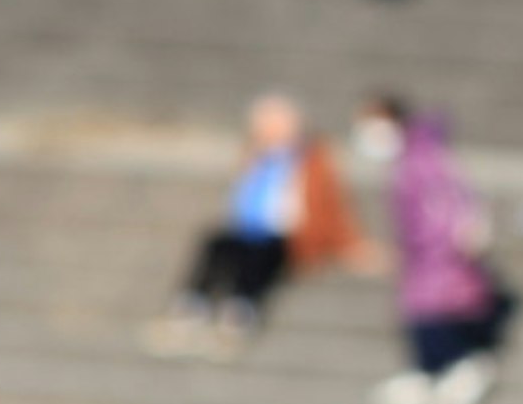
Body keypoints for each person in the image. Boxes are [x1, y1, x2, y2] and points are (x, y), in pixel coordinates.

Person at [152, 95, 366, 354]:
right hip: (244, 228)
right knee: (216, 243)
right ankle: (192, 305)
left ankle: (239, 312)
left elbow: (330, 206)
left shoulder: (311, 159)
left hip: (284, 233)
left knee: (260, 252)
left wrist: (352, 245)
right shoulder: (255, 155)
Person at [356, 97, 510, 404]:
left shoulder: (421, 159)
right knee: (422, 315)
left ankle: (462, 370)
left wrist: (433, 246)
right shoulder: (414, 156)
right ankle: (429, 373)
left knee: (433, 314)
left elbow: (443, 209)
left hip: (438, 257)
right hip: (427, 258)